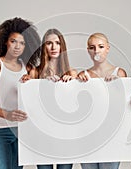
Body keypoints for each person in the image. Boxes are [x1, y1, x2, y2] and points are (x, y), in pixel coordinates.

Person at [0, 17, 41, 169]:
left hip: (21, 132)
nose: (17, 46)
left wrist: (31, 82)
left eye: (22, 43)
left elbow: (36, 100)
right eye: (13, 41)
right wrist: (7, 114)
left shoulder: (29, 69)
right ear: (6, 42)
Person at [22, 28, 76, 169]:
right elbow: (28, 101)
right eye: (49, 43)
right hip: (42, 134)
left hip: (65, 135)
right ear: (44, 47)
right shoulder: (35, 72)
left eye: (57, 43)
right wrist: (30, 81)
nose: (53, 47)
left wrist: (72, 82)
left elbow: (76, 105)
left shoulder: (72, 73)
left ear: (62, 46)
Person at [78, 32, 127, 169]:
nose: (96, 51)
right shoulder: (84, 75)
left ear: (108, 48)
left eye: (100, 46)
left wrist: (119, 86)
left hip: (111, 137)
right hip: (88, 137)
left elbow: (125, 107)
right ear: (88, 50)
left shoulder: (119, 73)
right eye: (92, 47)